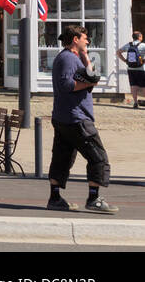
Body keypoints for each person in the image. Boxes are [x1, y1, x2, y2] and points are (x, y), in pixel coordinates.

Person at [47, 25, 116, 213]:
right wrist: (89, 82)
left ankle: (55, 199)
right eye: (85, 38)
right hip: (76, 118)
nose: (88, 41)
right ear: (75, 39)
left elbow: (91, 76)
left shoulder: (72, 57)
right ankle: (94, 199)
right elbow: (67, 84)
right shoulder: (68, 59)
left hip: (65, 116)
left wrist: (85, 58)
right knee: (98, 157)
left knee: (62, 158)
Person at [115, 30, 145, 108]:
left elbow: (118, 52)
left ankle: (135, 103)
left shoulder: (129, 45)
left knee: (133, 86)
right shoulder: (143, 45)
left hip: (131, 68)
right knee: (143, 86)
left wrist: (125, 60)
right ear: (139, 37)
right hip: (141, 68)